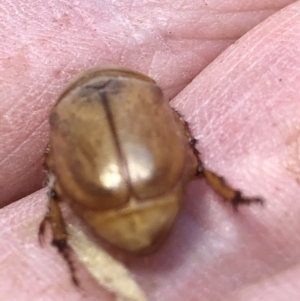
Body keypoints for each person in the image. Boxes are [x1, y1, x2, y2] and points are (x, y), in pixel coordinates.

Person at [0, 1, 299, 300]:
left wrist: (54, 182)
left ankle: (63, 246)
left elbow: (53, 162)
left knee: (54, 191)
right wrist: (191, 152)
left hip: (103, 201)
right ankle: (233, 197)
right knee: (197, 168)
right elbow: (177, 125)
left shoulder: (63, 115)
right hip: (157, 183)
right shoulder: (145, 92)